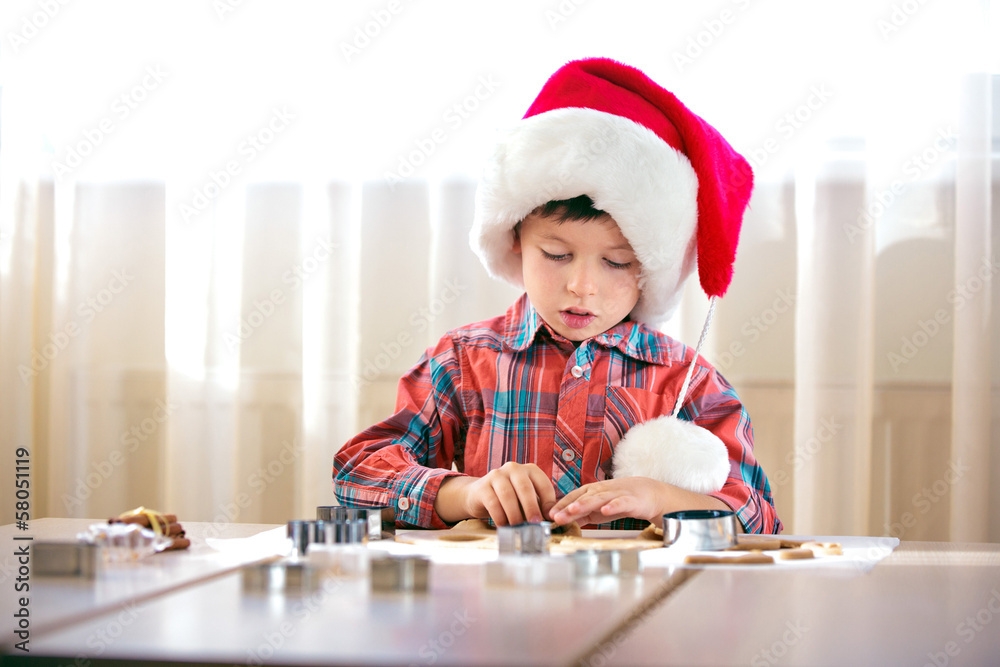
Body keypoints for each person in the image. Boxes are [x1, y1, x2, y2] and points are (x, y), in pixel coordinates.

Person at [334, 57, 781, 534]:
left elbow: (760, 518)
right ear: (514, 240)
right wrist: (465, 493)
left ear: (651, 267)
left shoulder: (687, 382)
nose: (581, 286)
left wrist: (664, 499)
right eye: (555, 254)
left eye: (615, 262)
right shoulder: (462, 362)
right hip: (497, 604)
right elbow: (357, 473)